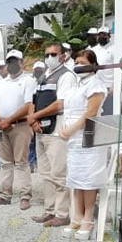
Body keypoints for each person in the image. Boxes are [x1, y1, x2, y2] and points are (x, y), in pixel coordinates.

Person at [56, 50, 110, 239]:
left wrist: (71, 129)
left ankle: (88, 218)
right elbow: (68, 109)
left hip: (89, 135)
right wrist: (64, 128)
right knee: (76, 178)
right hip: (72, 138)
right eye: (76, 62)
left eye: (82, 62)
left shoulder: (96, 84)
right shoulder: (76, 85)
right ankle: (77, 216)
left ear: (93, 65)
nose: (78, 65)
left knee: (88, 179)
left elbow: (91, 112)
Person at [26, 43, 79, 227]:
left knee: (59, 175)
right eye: (47, 54)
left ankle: (63, 213)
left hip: (57, 132)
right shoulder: (43, 76)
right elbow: (33, 100)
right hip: (41, 131)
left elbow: (61, 104)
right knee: (46, 175)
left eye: (53, 54)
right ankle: (50, 211)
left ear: (63, 56)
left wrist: (35, 116)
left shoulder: (67, 76)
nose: (50, 57)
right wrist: (33, 119)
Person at [0, 50, 37, 209]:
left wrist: (8, 120)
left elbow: (28, 105)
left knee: (21, 162)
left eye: (15, 61)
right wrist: (0, 120)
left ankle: (25, 196)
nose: (12, 65)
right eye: (9, 62)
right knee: (5, 163)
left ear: (22, 63)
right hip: (2, 127)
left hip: (20, 126)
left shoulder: (28, 81)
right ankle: (4, 195)